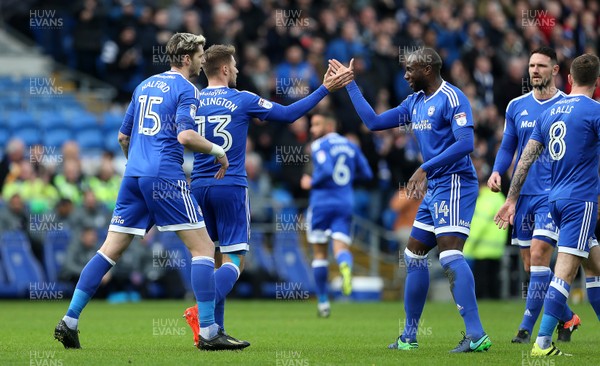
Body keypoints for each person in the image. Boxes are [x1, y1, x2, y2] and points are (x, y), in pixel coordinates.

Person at [53, 32, 249, 351]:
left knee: (109, 250)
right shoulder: (187, 89)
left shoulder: (143, 86)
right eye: (199, 55)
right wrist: (218, 151)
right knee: (202, 250)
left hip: (133, 176)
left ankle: (70, 321)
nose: (203, 60)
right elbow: (185, 136)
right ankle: (210, 331)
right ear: (186, 58)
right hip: (165, 176)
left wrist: (139, 167)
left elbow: (122, 137)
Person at [182, 44, 354, 346]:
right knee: (235, 260)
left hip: (198, 187)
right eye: (233, 65)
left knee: (211, 258)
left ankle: (213, 331)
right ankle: (202, 312)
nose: (236, 70)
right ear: (224, 69)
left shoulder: (192, 100)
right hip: (231, 185)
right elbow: (288, 115)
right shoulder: (242, 98)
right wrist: (325, 88)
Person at [330, 48, 491, 352]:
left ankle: (476, 333)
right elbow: (374, 123)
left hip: (456, 183)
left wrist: (425, 167)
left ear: (427, 69)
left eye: (410, 70)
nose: (405, 76)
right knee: (414, 255)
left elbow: (466, 143)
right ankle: (409, 336)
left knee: (448, 254)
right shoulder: (414, 102)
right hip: (436, 187)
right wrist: (351, 83)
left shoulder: (453, 98)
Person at [495, 53, 600, 357]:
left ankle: (551, 329)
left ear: (568, 78)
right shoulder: (595, 111)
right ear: (596, 82)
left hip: (553, 201)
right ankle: (542, 344)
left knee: (594, 267)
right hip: (580, 202)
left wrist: (511, 197)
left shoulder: (550, 113)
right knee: (564, 274)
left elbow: (525, 159)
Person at [300, 112, 373, 318]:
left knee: (320, 254)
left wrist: (311, 182)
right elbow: (367, 173)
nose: (313, 130)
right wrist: (347, 179)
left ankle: (323, 302)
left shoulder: (318, 146)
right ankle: (344, 266)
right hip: (345, 202)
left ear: (329, 126)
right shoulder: (351, 146)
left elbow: (327, 170)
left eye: (316, 125)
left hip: (322, 203)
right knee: (341, 246)